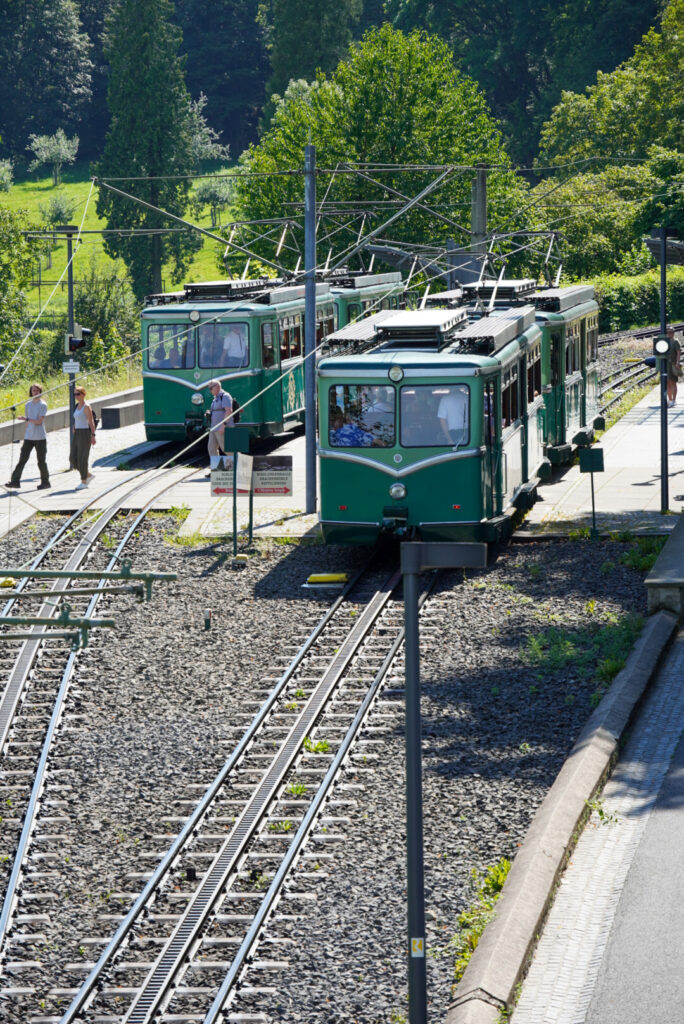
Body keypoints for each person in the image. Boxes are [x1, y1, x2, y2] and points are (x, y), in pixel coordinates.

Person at [5, 383, 50, 490]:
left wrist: (26, 419)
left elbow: (39, 421)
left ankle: (45, 482)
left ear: (40, 392)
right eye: (33, 390)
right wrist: (27, 425)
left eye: (37, 390)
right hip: (29, 437)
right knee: (22, 459)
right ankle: (15, 481)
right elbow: (28, 422)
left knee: (41, 461)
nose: (35, 392)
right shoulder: (27, 405)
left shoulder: (43, 405)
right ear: (31, 392)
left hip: (40, 437)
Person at [71, 386, 97, 490]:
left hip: (85, 433)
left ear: (83, 394)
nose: (76, 396)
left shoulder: (86, 406)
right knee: (72, 458)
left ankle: (84, 481)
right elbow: (77, 418)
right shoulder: (77, 406)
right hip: (77, 433)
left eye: (78, 394)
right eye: (75, 394)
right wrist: (74, 427)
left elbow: (91, 422)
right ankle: (88, 475)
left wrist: (93, 435)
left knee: (83, 458)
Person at [206, 379, 234, 465]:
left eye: (211, 388)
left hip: (221, 427)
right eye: (209, 388)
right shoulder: (215, 398)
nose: (210, 390)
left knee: (226, 448)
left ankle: (238, 466)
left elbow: (228, 411)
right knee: (211, 448)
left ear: (217, 387)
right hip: (214, 428)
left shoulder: (225, 396)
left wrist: (224, 425)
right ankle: (217, 469)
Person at [666, 326, 682, 407]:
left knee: (673, 382)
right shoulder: (664, 341)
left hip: (672, 363)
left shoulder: (675, 342)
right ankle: (670, 399)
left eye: (671, 332)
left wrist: (678, 362)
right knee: (667, 382)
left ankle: (674, 400)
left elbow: (678, 352)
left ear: (673, 333)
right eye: (668, 332)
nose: (669, 334)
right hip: (666, 364)